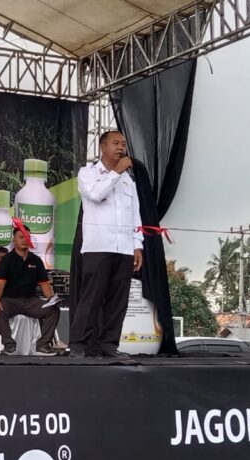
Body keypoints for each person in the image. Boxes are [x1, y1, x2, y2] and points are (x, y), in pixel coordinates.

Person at [70, 130, 143, 358]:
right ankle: (79, 344)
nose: (121, 147)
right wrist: (116, 171)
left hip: (124, 248)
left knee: (118, 301)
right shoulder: (88, 173)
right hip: (97, 247)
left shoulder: (129, 181)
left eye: (123, 143)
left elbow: (135, 216)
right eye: (116, 143)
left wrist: (137, 245)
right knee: (91, 298)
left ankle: (109, 344)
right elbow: (95, 194)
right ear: (103, 147)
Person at [0, 226, 58, 356]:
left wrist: (51, 300)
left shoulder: (36, 260)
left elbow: (45, 284)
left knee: (53, 310)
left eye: (27, 237)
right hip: (10, 301)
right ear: (14, 240)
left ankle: (43, 345)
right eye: (21, 237)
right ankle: (9, 345)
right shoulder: (6, 260)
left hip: (30, 301)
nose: (24, 240)